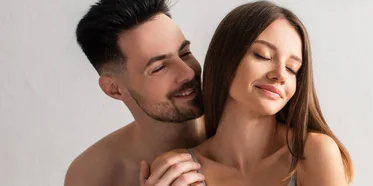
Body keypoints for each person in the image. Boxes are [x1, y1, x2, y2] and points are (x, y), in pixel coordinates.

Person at [149, 1, 354, 185]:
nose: (280, 75)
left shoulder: (313, 152)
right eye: (262, 55)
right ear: (225, 59)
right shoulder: (179, 169)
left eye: (292, 68)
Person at [65, 0, 207, 185]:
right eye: (159, 68)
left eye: (185, 54)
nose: (187, 73)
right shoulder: (91, 176)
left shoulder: (249, 129)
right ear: (114, 89)